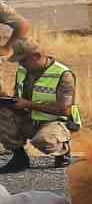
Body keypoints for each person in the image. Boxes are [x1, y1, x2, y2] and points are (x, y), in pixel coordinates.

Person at [0, 39, 81, 173]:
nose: (21, 64)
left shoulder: (63, 74)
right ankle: (19, 158)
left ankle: (63, 149)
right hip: (30, 118)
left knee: (43, 140)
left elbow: (64, 110)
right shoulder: (23, 71)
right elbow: (19, 95)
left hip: (56, 122)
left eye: (23, 60)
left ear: (36, 56)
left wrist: (28, 104)